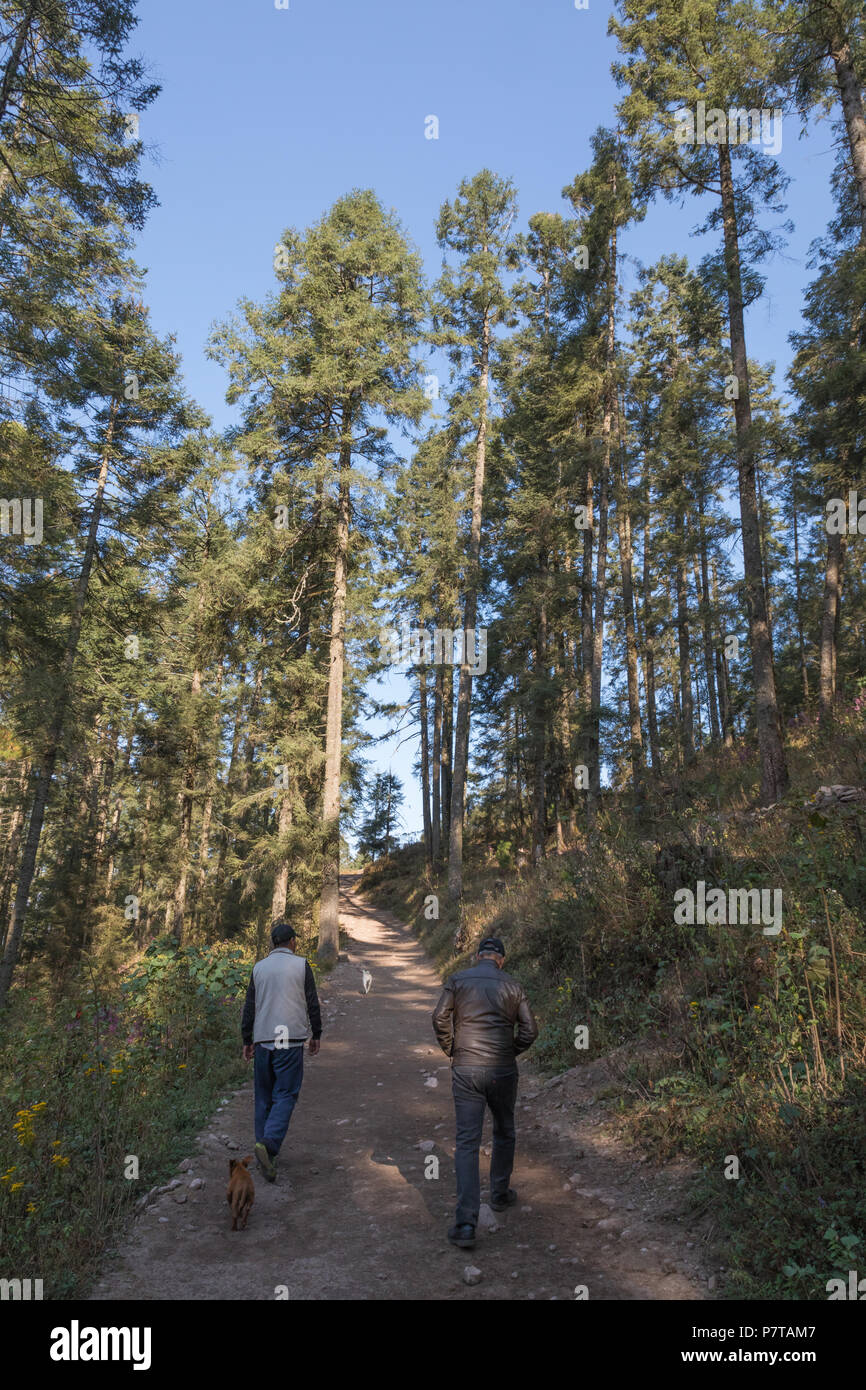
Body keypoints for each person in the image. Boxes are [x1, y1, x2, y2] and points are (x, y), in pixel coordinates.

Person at [431, 935, 538, 1249]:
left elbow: (438, 1017)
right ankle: (500, 1194)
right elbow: (530, 1030)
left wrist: (453, 1049)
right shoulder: (513, 986)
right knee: (504, 1130)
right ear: (501, 960)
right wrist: (509, 1050)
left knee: (467, 1142)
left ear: (477, 956)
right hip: (503, 1070)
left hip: (466, 1069)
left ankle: (465, 1224)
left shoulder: (458, 980)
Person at [241, 920, 322, 1182]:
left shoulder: (258, 968)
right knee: (286, 1094)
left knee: (263, 1096)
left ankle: (264, 1153)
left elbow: (249, 1007)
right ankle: (269, 1144)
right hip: (290, 1039)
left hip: (264, 1039)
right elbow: (311, 1000)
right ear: (293, 942)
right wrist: (317, 1033)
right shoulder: (301, 965)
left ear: (273, 944)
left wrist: (246, 1039)